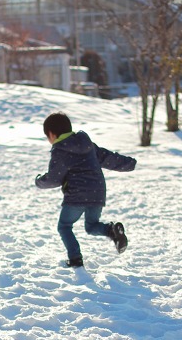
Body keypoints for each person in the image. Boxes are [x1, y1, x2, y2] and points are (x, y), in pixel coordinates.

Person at [35, 112, 137, 268]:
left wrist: (39, 181)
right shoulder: (86, 143)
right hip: (97, 192)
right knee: (91, 226)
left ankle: (75, 259)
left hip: (77, 195)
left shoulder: (60, 150)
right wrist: (129, 163)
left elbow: (54, 178)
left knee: (64, 226)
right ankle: (112, 231)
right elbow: (106, 157)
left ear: (51, 134)